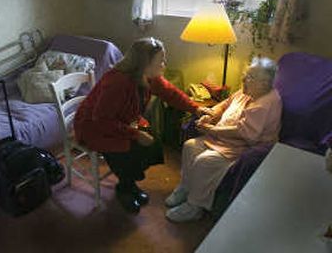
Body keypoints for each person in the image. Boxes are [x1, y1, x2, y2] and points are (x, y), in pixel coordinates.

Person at [74, 37, 204, 213]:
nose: (164, 64)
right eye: (160, 60)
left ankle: (129, 182)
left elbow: (170, 93)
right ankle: (125, 188)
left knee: (153, 142)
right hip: (94, 127)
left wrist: (195, 108)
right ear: (145, 63)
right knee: (128, 148)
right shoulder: (117, 82)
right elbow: (102, 120)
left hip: (123, 121)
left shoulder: (148, 76)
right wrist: (136, 134)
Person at [165, 57, 283, 222]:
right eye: (245, 74)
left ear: (264, 83)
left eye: (249, 77)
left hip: (242, 147)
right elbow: (226, 103)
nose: (243, 79)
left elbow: (245, 133)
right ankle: (185, 187)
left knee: (204, 161)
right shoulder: (249, 90)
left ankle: (195, 206)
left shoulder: (264, 103)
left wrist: (212, 129)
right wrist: (211, 113)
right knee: (190, 146)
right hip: (223, 140)